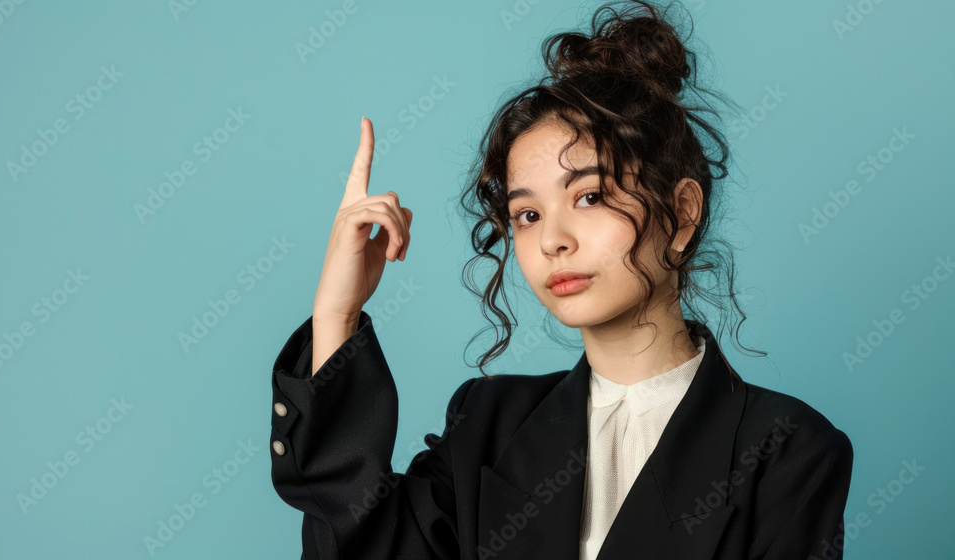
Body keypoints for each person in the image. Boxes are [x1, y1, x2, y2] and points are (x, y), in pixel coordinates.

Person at [269, 1, 853, 558]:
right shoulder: (489, 422)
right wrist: (336, 315)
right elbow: (358, 541)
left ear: (681, 215)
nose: (552, 240)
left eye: (591, 196)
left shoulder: (788, 449)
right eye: (527, 214)